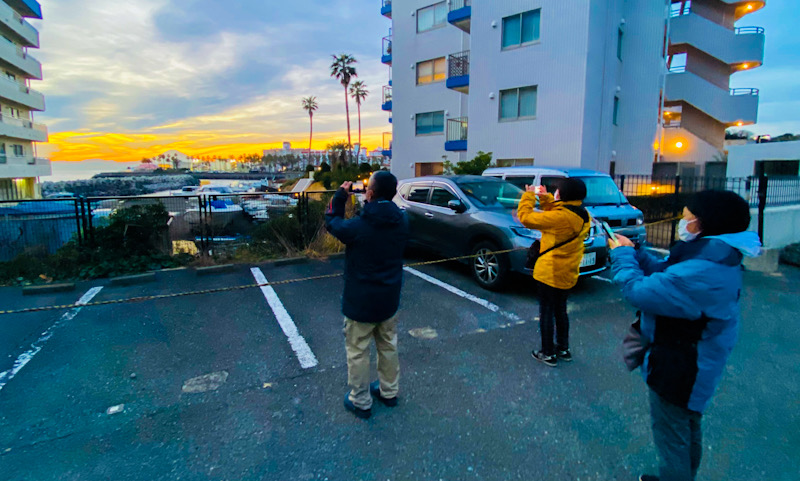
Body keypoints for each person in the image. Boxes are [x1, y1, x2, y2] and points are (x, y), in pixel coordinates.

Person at [608, 190, 761, 481]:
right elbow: (666, 275)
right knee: (685, 428)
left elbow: (638, 291)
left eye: (687, 218)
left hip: (682, 367)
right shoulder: (713, 254)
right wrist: (637, 252)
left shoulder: (705, 270)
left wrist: (622, 256)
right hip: (694, 360)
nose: (682, 222)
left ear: (703, 223)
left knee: (672, 437)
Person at [325, 172, 409, 420]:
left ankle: (360, 401)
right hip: (389, 298)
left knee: (358, 351)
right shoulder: (402, 220)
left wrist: (341, 196)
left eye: (367, 189)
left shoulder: (359, 226)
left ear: (370, 193)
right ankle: (389, 391)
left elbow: (333, 222)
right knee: (388, 346)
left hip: (360, 301)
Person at [517, 178, 590, 367]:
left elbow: (526, 218)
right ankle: (563, 348)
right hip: (567, 272)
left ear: (563, 195)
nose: (555, 192)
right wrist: (545, 196)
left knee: (547, 312)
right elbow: (558, 209)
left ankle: (547, 353)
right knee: (560, 311)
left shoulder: (561, 218)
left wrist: (529, 195)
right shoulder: (582, 213)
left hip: (550, 272)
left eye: (557, 190)